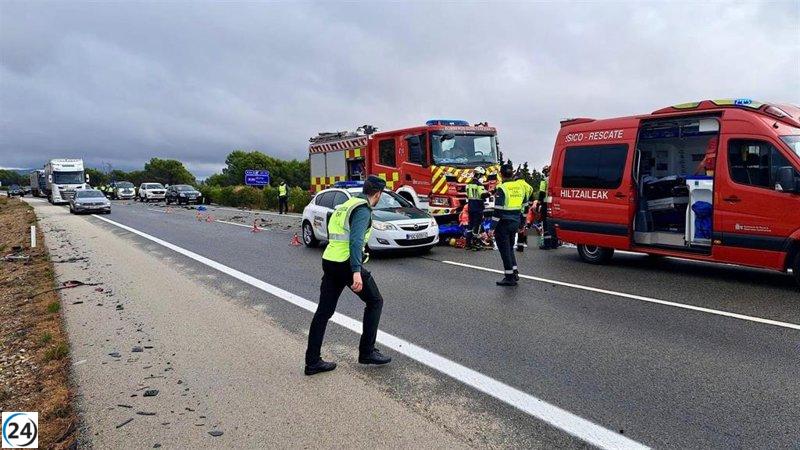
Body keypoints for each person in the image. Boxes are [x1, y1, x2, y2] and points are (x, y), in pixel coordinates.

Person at [305, 175, 392, 376]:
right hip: (346, 263)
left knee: (323, 312)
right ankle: (367, 352)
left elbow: (332, 232)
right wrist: (356, 272)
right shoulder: (362, 210)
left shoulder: (346, 204)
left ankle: (312, 362)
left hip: (330, 260)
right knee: (375, 301)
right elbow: (355, 241)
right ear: (378, 194)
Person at [493, 164, 533, 286]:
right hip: (515, 221)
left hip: (503, 223)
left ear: (501, 174)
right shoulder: (520, 188)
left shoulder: (502, 188)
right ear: (512, 173)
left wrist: (491, 227)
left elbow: (498, 210)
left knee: (505, 250)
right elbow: (525, 207)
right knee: (510, 248)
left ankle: (509, 277)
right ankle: (514, 272)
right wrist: (522, 224)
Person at [465, 167, 489, 249]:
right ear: (478, 175)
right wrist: (490, 193)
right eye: (482, 176)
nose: (482, 177)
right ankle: (475, 242)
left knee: (470, 225)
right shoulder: (479, 185)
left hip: (470, 206)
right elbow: (482, 195)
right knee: (477, 225)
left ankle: (468, 243)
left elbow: (468, 195)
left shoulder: (468, 184)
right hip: (478, 207)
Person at [534, 165, 556, 249]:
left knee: (546, 224)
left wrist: (539, 204)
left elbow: (542, 193)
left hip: (546, 204)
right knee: (553, 224)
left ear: (545, 171)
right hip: (554, 203)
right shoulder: (555, 178)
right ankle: (554, 244)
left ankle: (547, 244)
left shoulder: (544, 180)